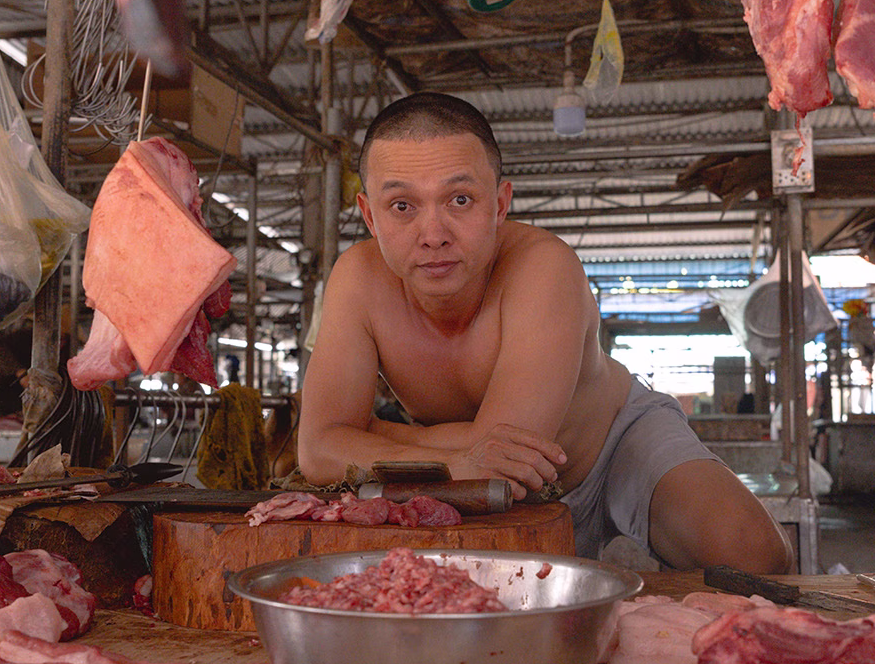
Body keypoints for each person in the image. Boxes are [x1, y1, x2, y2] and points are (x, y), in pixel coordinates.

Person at [298, 94, 792, 574]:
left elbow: (504, 459)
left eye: (460, 200)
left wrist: (370, 433)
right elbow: (316, 451)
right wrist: (463, 459)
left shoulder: (543, 266)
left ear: (500, 204)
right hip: (462, 480)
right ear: (369, 215)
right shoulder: (357, 279)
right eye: (402, 206)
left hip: (613, 440)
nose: (433, 234)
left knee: (753, 553)